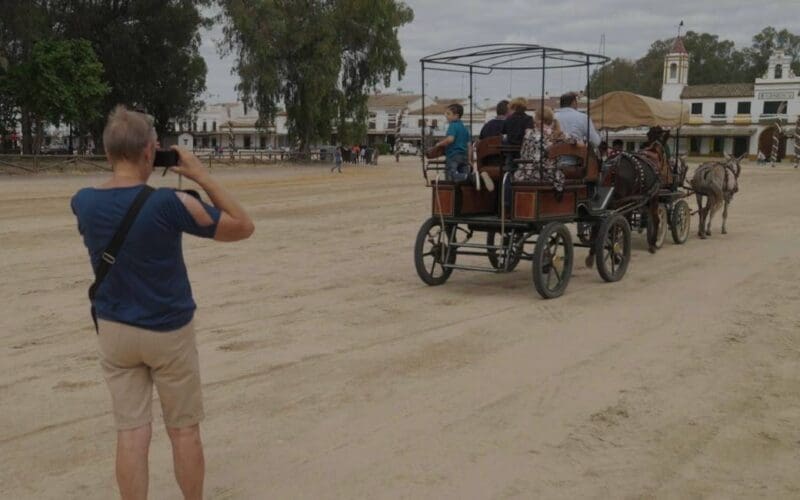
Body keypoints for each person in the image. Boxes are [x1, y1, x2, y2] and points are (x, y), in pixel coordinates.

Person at [71, 106, 254, 500]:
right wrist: (201, 175)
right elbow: (243, 225)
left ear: (107, 153)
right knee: (183, 429)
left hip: (116, 330)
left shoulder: (82, 202)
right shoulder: (170, 203)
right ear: (151, 153)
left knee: (132, 433)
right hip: (168, 330)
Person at [554, 92, 601, 166]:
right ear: (573, 102)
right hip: (576, 167)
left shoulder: (552, 117)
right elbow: (596, 142)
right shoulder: (583, 117)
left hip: (553, 165)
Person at [433, 103, 471, 182]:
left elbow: (450, 139)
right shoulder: (464, 128)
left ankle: (467, 177)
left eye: (448, 114)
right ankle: (471, 177)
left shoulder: (453, 125)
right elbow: (469, 145)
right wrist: (469, 159)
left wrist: (439, 144)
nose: (446, 115)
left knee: (450, 177)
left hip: (453, 155)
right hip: (464, 156)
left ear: (456, 116)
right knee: (465, 182)